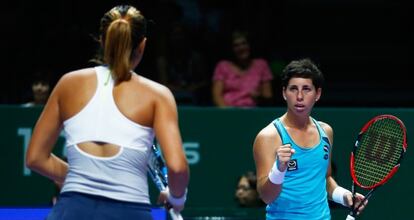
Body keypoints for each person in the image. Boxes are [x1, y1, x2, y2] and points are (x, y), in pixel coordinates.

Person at [25, 5, 189, 220]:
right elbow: (177, 168)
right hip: (130, 212)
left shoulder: (68, 83)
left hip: (70, 211)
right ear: (142, 45)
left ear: (102, 41)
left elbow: (35, 158)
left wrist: (81, 176)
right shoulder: (159, 95)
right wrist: (177, 198)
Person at [252, 58, 367, 219]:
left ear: (317, 94)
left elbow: (325, 179)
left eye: (306, 89)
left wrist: (345, 196)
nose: (299, 96)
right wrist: (279, 169)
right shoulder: (268, 137)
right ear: (284, 93)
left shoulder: (326, 132)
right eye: (293, 89)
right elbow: (266, 197)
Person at [212, 30, 273, 108]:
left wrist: (259, 97)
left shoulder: (261, 65)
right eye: (236, 45)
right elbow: (217, 96)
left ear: (249, 45)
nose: (241, 48)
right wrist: (228, 113)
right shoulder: (222, 66)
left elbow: (268, 96)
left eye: (244, 43)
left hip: (253, 112)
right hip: (228, 113)